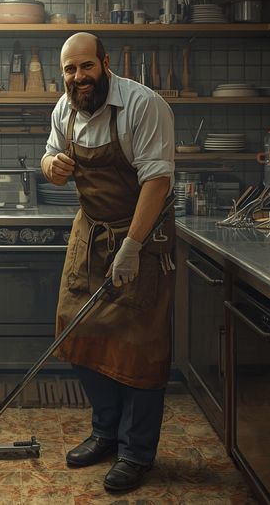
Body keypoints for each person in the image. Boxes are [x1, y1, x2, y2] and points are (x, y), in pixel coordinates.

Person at [41, 32, 176, 493]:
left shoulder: (143, 106)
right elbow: (50, 152)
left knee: (139, 346)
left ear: (105, 63)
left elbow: (157, 181)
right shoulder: (65, 108)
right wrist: (50, 165)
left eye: (86, 66)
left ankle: (135, 452)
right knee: (74, 328)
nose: (79, 77)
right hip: (91, 231)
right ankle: (105, 431)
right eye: (70, 70)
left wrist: (133, 246)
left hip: (141, 232)